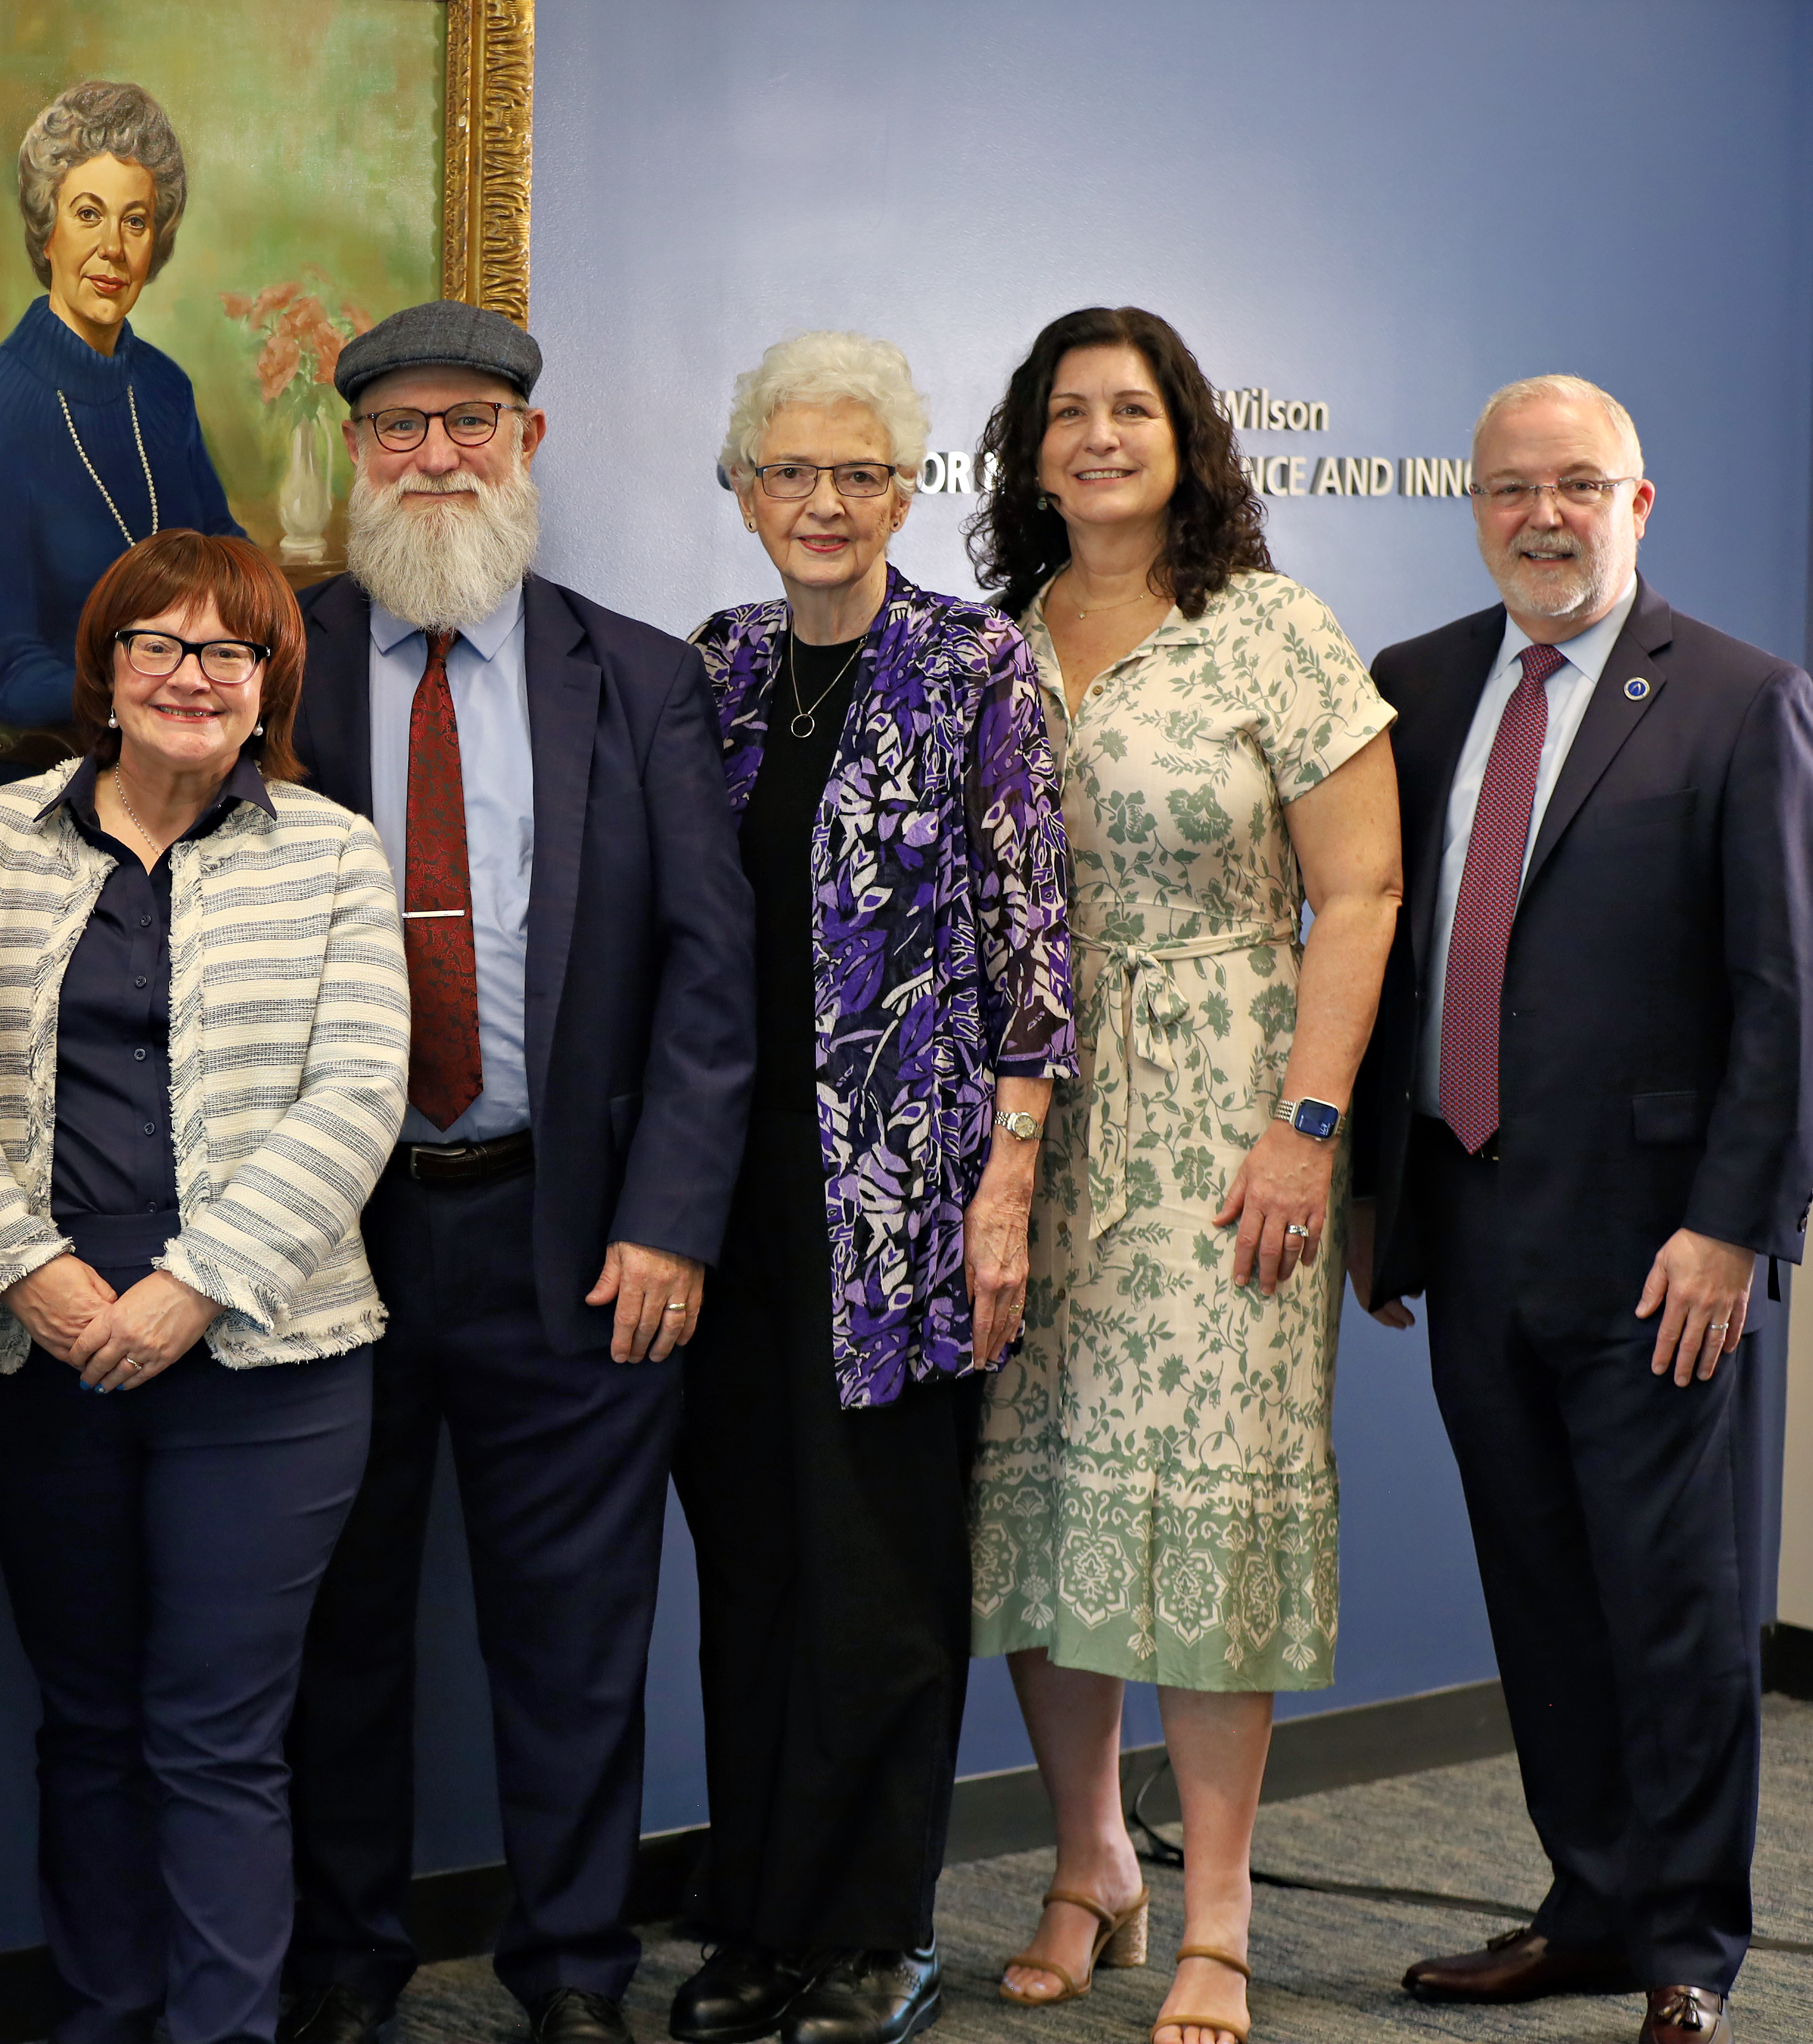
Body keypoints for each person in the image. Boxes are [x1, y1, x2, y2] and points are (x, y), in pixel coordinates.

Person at [283, 301, 757, 2044]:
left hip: (571, 1235)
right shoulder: (278, 659)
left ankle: (573, 1969)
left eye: (468, 423)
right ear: (355, 452)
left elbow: (713, 981)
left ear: (529, 446)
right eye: (398, 428)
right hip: (328, 1239)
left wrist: (671, 1221)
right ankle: (341, 1964)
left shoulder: (634, 678)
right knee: (338, 1638)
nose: (433, 457)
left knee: (575, 1641)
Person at [1350, 377, 1813, 2044]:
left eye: (1579, 486)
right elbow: (1382, 949)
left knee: (1677, 1600)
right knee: (1544, 1593)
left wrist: (1734, 1224)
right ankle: (1591, 1906)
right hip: (1474, 1227)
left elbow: (1788, 996)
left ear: (1641, 503)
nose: (1542, 516)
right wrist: (1378, 1200)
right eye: (1509, 489)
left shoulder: (1739, 701)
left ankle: (1690, 1943)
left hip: (1662, 1251)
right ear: (1473, 506)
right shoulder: (1412, 691)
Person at [962, 306, 1404, 2044]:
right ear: (1030, 447)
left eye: (1128, 409)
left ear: (1185, 434)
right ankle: (1091, 1865)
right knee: (1045, 1491)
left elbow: (1357, 895)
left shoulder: (1271, 634)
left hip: (1235, 1120)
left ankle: (1218, 1913)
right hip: (1031, 1133)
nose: (1096, 438)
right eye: (1066, 412)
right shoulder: (993, 643)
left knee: (1215, 1507)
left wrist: (1306, 1126)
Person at [0, 529, 408, 2044]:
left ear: (270, 683)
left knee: (217, 1738)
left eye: (232, 652)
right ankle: (103, 2018)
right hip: (39, 1360)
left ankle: (220, 2032)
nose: (194, 677)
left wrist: (193, 1287)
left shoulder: (332, 848)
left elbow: (360, 1092)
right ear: (107, 671)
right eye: (161, 646)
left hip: (269, 1372)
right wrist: (37, 1277)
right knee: (86, 1727)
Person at [674, 330, 1076, 2044]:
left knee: (883, 1584)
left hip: (905, 1213)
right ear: (746, 490)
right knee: (754, 1569)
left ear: (909, 493)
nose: (822, 503)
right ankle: (758, 1926)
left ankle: (871, 1934)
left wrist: (1006, 1192)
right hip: (727, 1205)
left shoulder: (976, 664)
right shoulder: (720, 668)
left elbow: (1033, 951)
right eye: (791, 472)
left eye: (859, 475)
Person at [0, 79, 249, 776]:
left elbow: (224, 548)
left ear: (155, 243)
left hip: (189, 746)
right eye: (88, 214)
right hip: (65, 772)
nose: (113, 248)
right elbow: (6, 671)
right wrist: (155, 694)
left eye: (135, 222)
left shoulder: (165, 388)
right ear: (47, 230)